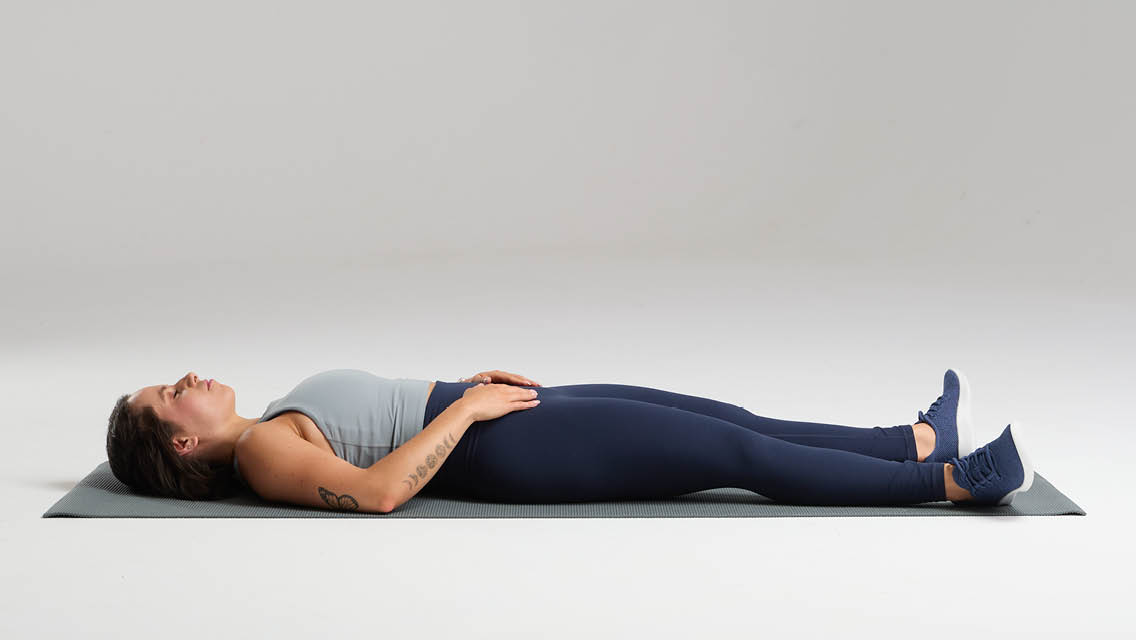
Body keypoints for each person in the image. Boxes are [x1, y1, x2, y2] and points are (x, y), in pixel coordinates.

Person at [106, 367, 1034, 513]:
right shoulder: (263, 454)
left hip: (481, 412)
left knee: (726, 420)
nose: (185, 380)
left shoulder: (271, 416)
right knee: (728, 459)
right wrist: (464, 412)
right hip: (497, 447)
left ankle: (908, 441)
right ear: (181, 447)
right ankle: (946, 485)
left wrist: (467, 384)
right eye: (168, 397)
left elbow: (376, 411)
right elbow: (380, 493)